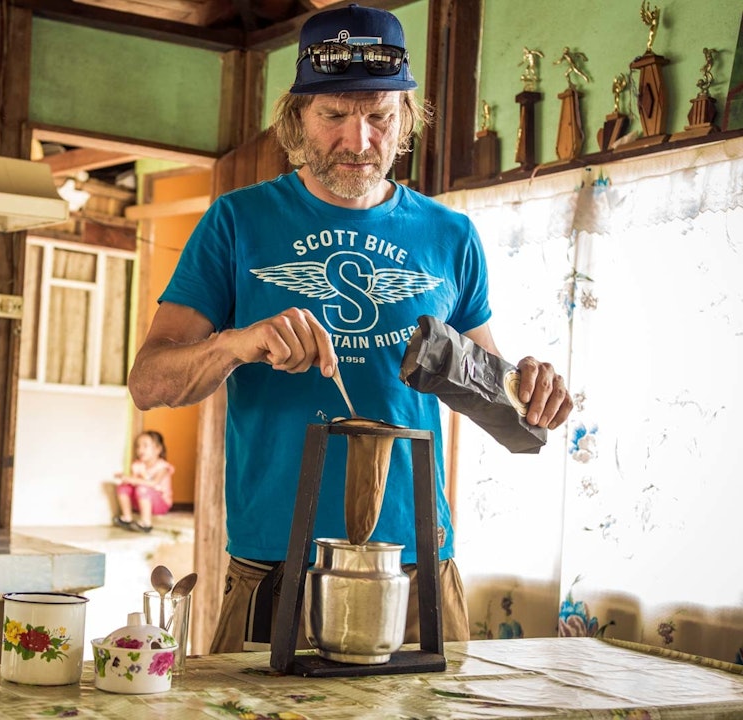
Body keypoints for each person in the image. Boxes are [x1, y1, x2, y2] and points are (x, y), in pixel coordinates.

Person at [128, 3, 572, 653]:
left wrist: (532, 391)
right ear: (297, 117)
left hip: (418, 561)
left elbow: (492, 393)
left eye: (379, 116)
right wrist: (238, 342)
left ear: (406, 121)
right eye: (335, 115)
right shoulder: (236, 222)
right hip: (276, 563)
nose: (358, 140)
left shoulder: (451, 235)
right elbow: (148, 382)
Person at [113, 430, 175, 533]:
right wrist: (126, 478)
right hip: (141, 501)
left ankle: (146, 523)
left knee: (143, 489)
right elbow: (133, 484)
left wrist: (133, 479)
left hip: (160, 505)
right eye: (138, 446)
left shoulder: (162, 467)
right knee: (123, 487)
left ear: (158, 449)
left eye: (145, 446)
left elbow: (153, 483)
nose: (140, 450)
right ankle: (127, 517)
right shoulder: (138, 465)